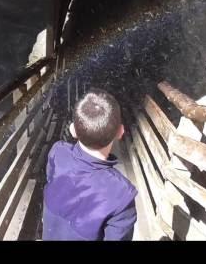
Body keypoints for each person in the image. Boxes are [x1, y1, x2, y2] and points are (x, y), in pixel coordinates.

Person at [42, 88, 137, 240]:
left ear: (73, 130)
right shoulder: (122, 194)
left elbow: (51, 181)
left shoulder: (58, 152)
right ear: (120, 132)